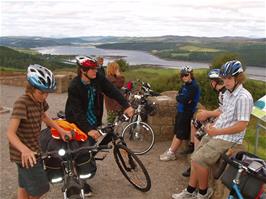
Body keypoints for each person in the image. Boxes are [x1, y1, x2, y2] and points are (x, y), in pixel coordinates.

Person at [172, 60, 253, 199]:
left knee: (199, 159)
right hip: (217, 132)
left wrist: (217, 131)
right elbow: (223, 111)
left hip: (229, 138)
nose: (226, 82)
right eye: (224, 78)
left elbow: (242, 125)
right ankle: (190, 190)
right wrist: (211, 123)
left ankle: (204, 193)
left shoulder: (244, 97)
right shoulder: (228, 93)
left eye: (229, 78)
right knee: (194, 157)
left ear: (238, 78)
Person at [64, 55, 134, 196]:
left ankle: (84, 164)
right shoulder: (74, 86)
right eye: (92, 69)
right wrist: (88, 129)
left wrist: (126, 105)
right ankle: (80, 181)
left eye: (95, 68)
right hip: (77, 123)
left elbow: (112, 91)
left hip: (94, 119)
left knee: (91, 148)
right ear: (83, 70)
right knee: (82, 151)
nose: (95, 71)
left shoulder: (98, 79)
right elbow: (77, 113)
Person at [7, 64, 71, 199]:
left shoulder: (39, 101)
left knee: (24, 185)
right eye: (41, 92)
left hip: (34, 148)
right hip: (24, 154)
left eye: (47, 92)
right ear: (31, 88)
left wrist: (60, 130)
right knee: (41, 188)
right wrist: (24, 150)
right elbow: (10, 133)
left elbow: (44, 117)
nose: (45, 96)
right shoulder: (22, 103)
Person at [182, 68, 226, 177]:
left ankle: (194, 162)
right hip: (219, 118)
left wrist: (208, 114)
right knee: (195, 121)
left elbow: (224, 113)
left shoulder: (224, 94)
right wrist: (207, 112)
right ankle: (192, 145)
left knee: (198, 135)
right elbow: (221, 109)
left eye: (212, 81)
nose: (211, 84)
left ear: (215, 82)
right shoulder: (222, 93)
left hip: (221, 122)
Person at [160, 66, 200, 161]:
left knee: (180, 134)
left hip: (187, 112)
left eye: (186, 75)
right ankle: (171, 150)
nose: (184, 77)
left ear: (191, 75)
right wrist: (181, 98)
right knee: (177, 132)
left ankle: (171, 153)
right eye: (182, 75)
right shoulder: (185, 85)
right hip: (181, 111)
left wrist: (181, 98)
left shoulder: (194, 86)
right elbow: (179, 96)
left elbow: (185, 100)